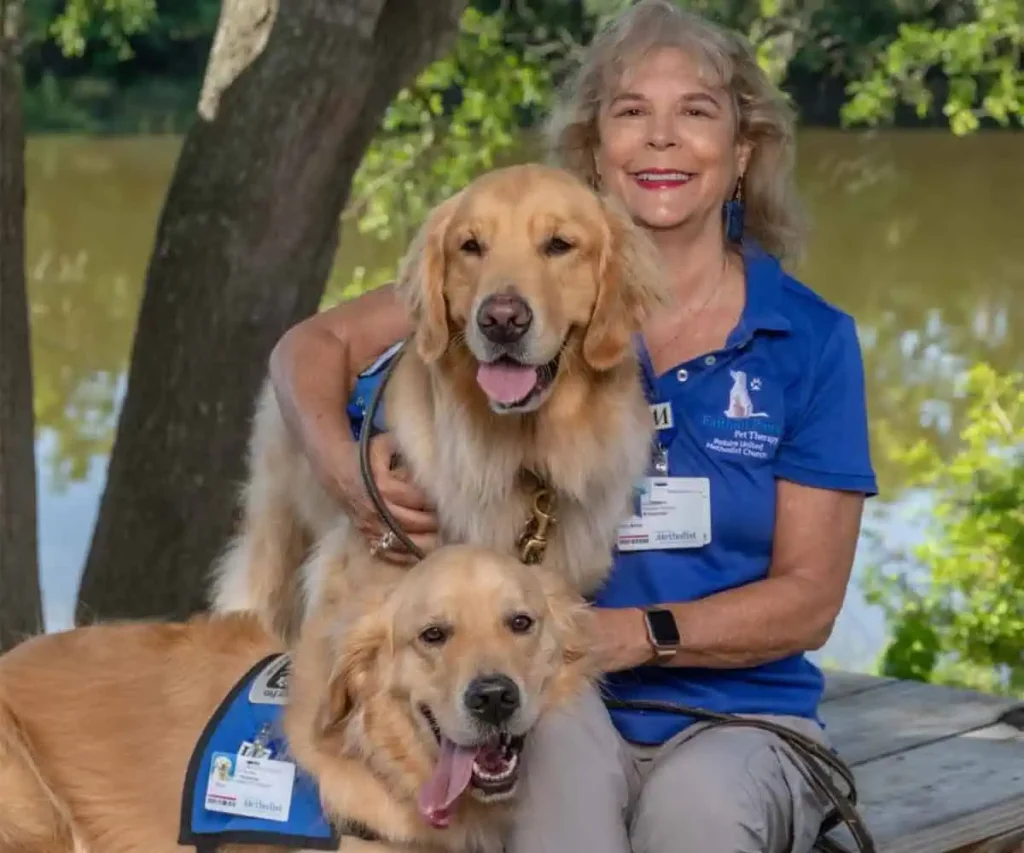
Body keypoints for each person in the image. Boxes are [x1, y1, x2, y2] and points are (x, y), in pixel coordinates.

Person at [265, 1, 877, 851]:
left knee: (694, 818)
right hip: (557, 691)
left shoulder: (808, 339)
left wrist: (644, 634)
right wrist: (350, 474)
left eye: (696, 111)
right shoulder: (520, 287)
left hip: (740, 715)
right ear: (595, 150)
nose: (661, 138)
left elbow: (809, 600)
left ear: (743, 151)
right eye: (631, 111)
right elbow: (309, 348)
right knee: (552, 803)